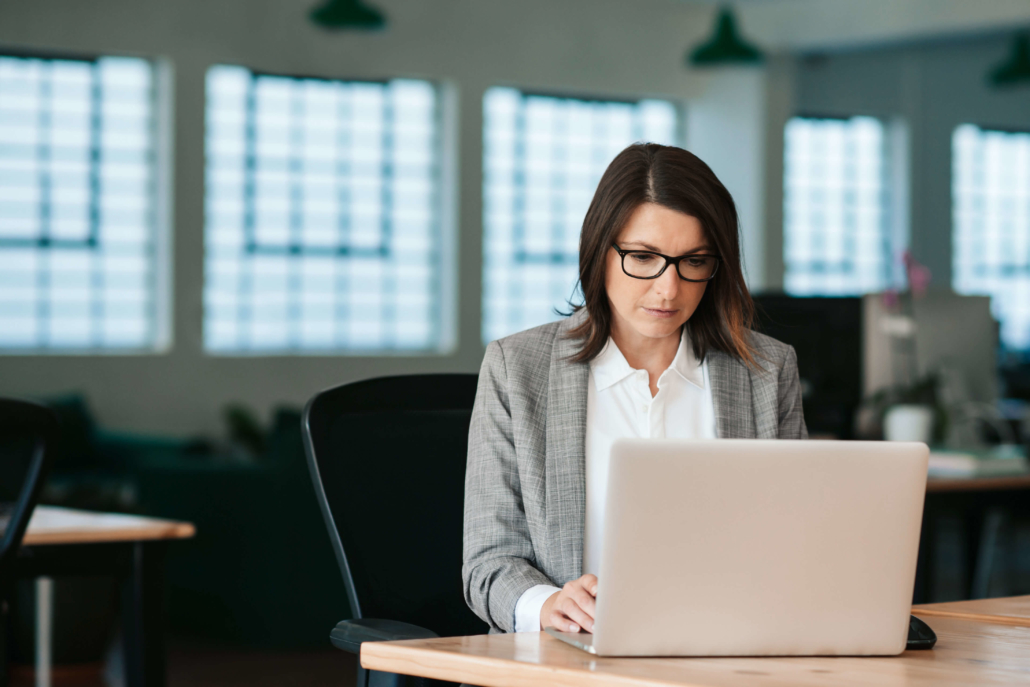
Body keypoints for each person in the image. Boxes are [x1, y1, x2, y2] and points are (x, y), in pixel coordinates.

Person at [463, 143, 807, 636]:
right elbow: (488, 563)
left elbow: (793, 544)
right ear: (599, 251)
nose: (669, 289)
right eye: (643, 257)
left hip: (721, 650)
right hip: (566, 661)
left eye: (694, 261)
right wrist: (548, 604)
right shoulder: (516, 370)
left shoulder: (767, 370)